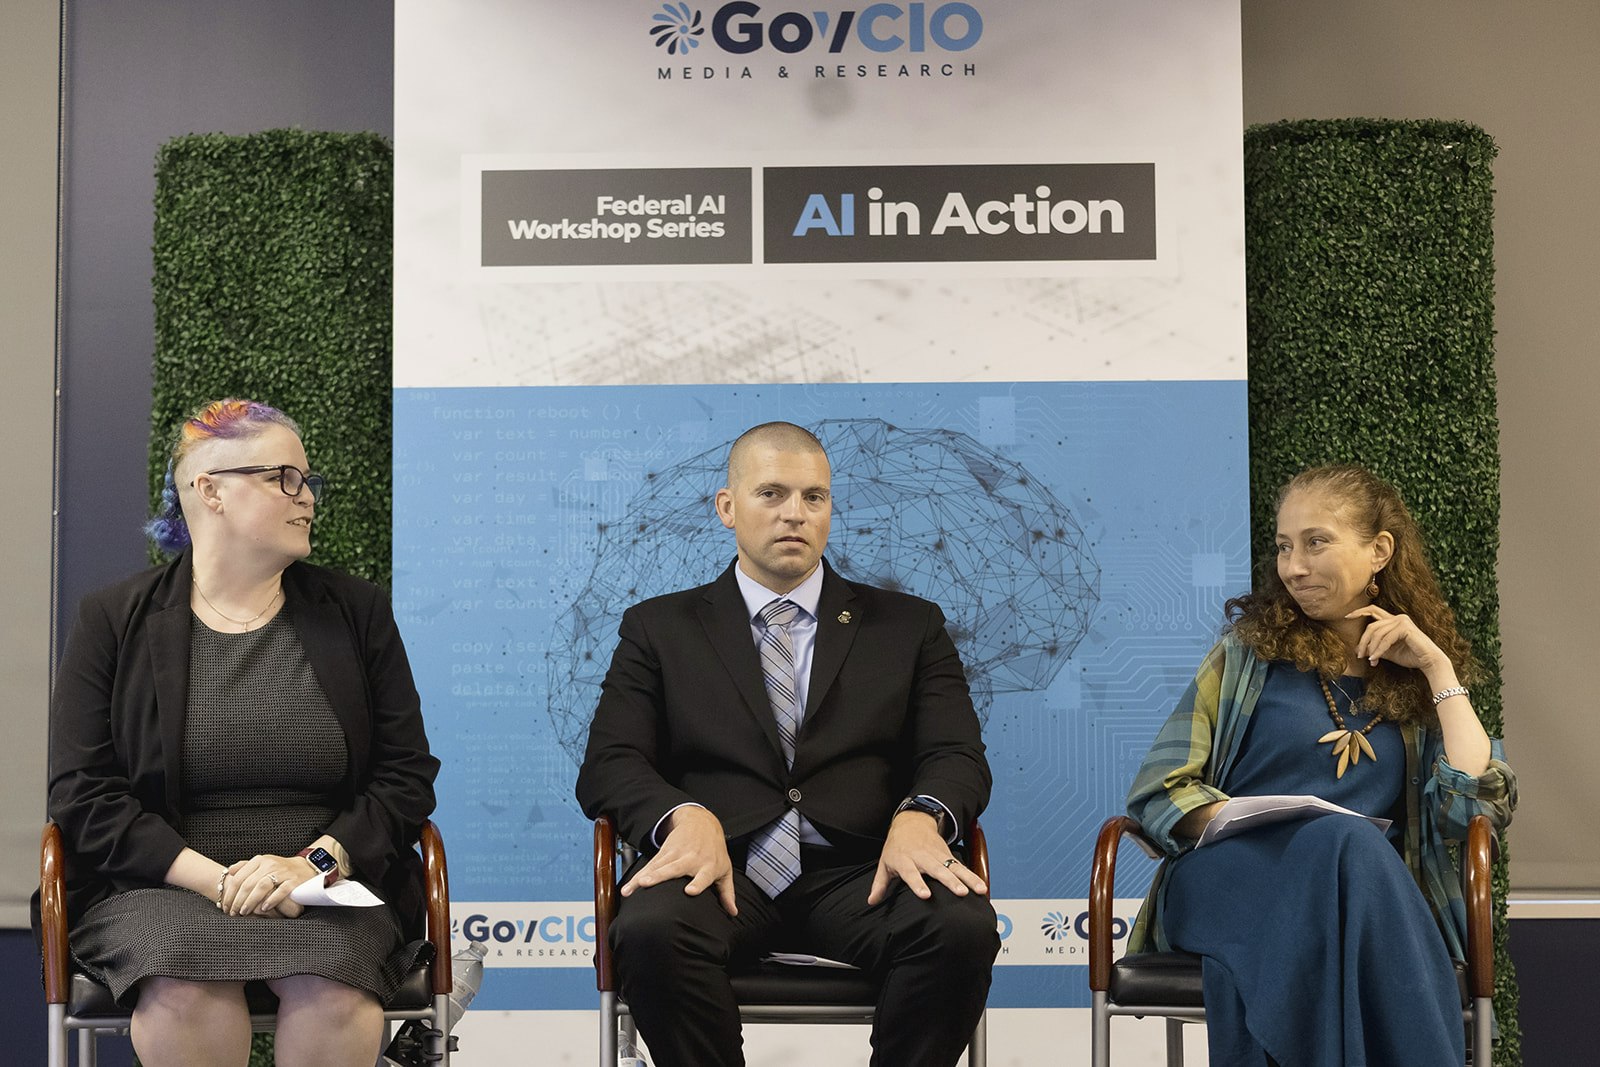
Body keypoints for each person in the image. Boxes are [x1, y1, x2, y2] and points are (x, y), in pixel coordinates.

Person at [575, 421, 999, 1067]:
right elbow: (611, 762)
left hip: (864, 872)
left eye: (813, 496)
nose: (794, 513)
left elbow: (956, 754)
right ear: (727, 507)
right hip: (718, 870)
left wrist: (922, 815)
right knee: (650, 929)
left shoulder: (910, 626)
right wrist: (682, 816)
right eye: (771, 493)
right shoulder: (658, 627)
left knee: (959, 925)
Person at [45, 399, 439, 1067]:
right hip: (158, 886)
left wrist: (312, 864)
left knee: (336, 992)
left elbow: (405, 777)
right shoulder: (112, 619)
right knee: (183, 989)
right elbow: (82, 794)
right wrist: (218, 880)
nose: (306, 496)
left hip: (320, 888)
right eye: (284, 477)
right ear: (211, 491)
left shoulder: (357, 612)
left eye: (308, 480)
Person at [1125, 464, 1517, 1066]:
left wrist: (1437, 670)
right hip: (1229, 880)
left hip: (1358, 893)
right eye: (1284, 547)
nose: (1294, 567)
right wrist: (1241, 817)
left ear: (1379, 551)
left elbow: (1470, 807)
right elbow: (1158, 793)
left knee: (1346, 850)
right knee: (1341, 840)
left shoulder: (1416, 676)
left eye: (1316, 543)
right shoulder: (1246, 657)